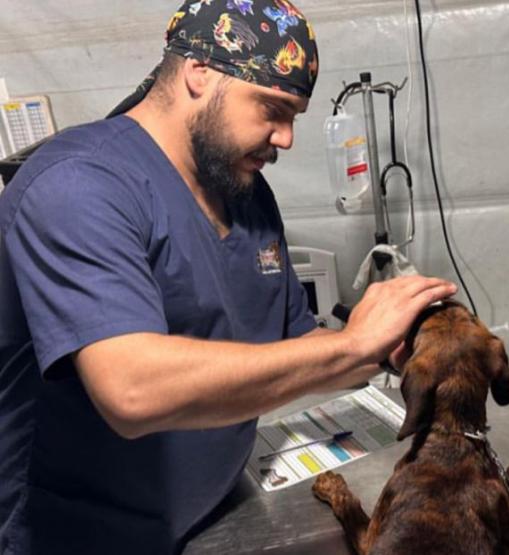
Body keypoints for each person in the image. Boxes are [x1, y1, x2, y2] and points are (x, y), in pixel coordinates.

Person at [0, 1, 456, 553]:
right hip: (84, 535)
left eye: (294, 117)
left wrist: (384, 349)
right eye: (273, 108)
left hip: (210, 515)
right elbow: (132, 390)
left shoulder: (244, 193)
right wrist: (352, 346)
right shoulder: (80, 185)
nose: (286, 138)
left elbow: (295, 346)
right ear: (199, 73)